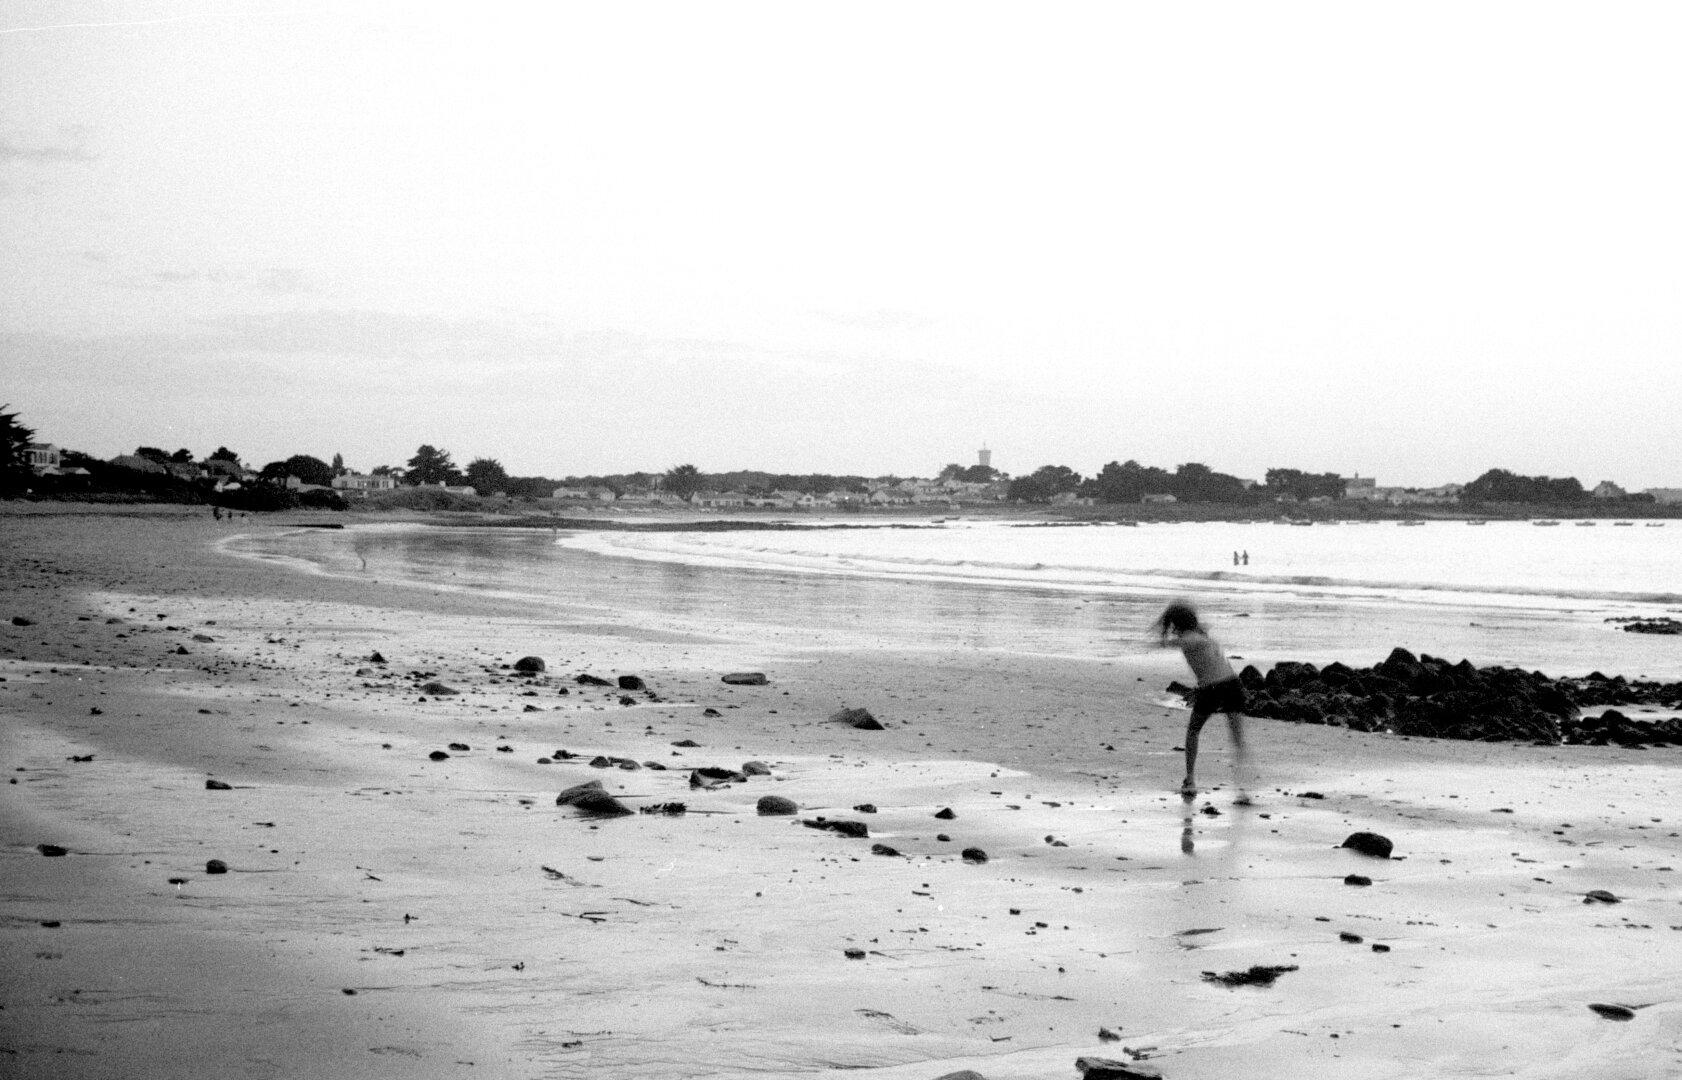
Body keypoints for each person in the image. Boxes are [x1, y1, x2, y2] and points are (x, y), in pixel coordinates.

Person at [1153, 600, 1249, 802]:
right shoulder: (1200, 635)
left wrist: (1162, 642)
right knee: (1237, 738)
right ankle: (1242, 788)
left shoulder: (1190, 638)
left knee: (1194, 730)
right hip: (1232, 684)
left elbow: (1187, 643)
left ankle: (1190, 780)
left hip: (1212, 689)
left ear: (1176, 623)